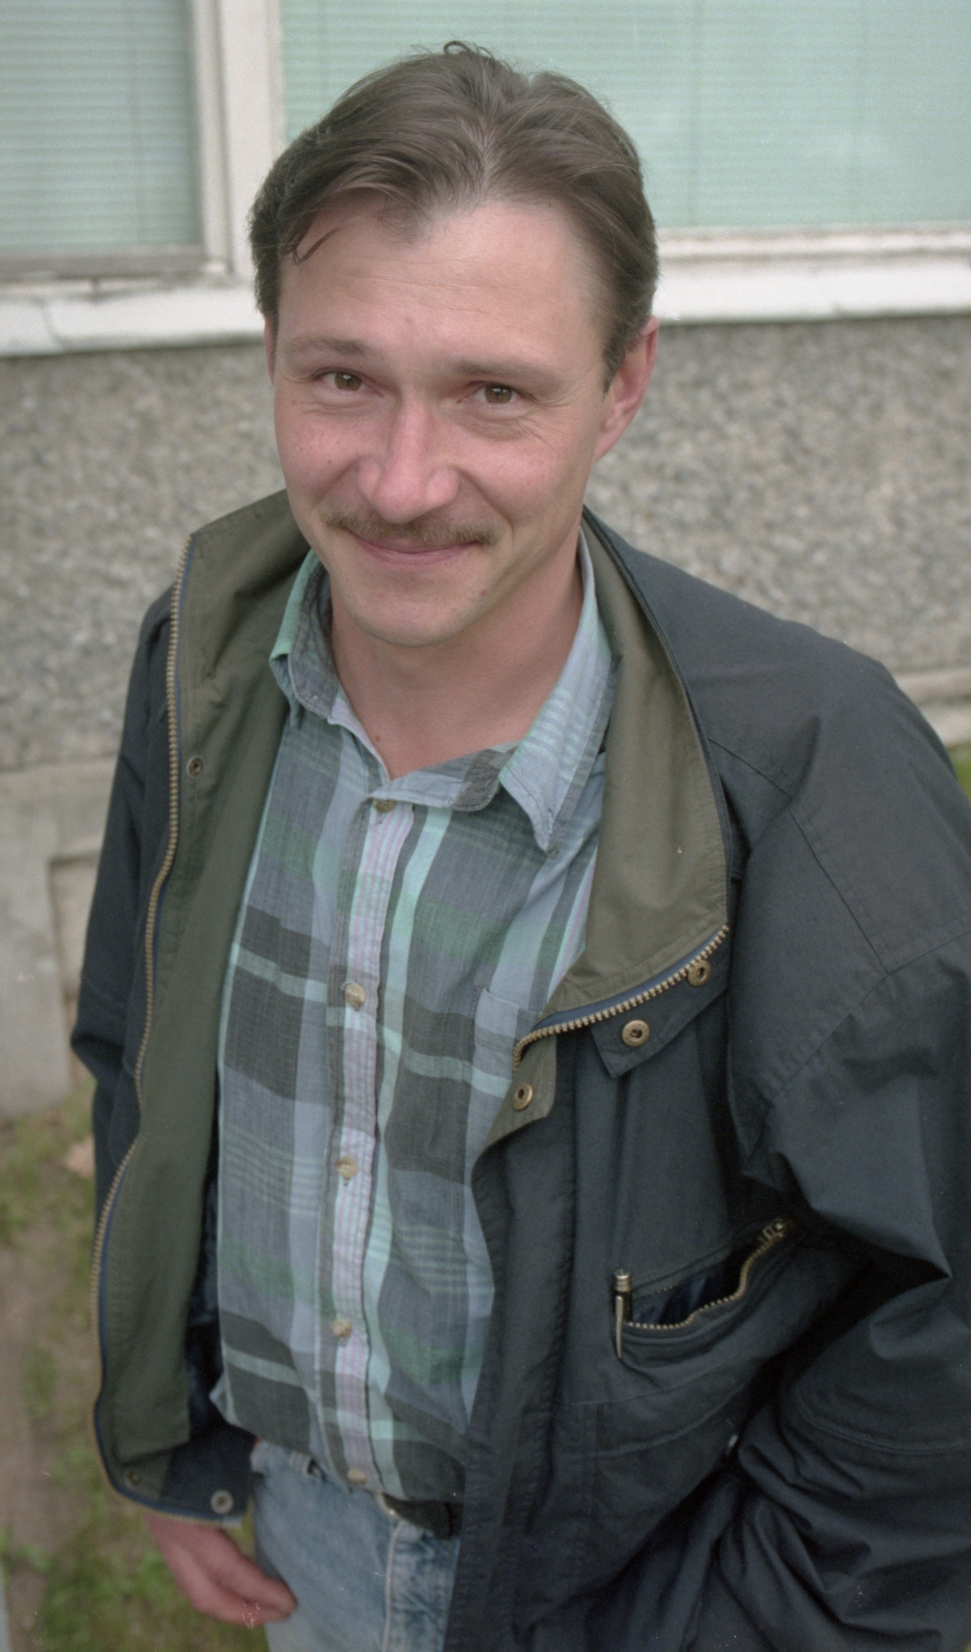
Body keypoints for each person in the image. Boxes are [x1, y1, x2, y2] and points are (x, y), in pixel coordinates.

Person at [74, 43, 971, 1652]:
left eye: (494, 391)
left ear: (624, 385)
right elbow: (141, 1064)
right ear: (269, 350)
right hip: (304, 1539)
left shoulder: (816, 777)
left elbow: (940, 1309)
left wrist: (730, 1621)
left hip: (653, 1589)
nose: (401, 482)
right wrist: (171, 1424)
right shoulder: (198, 665)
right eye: (342, 378)